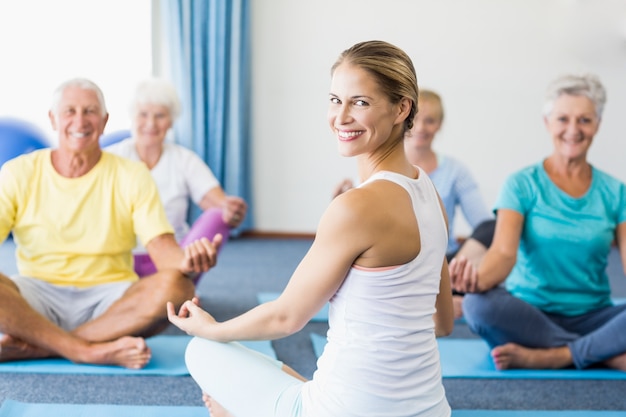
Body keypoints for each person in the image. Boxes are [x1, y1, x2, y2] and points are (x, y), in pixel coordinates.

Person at [168, 40, 454, 417]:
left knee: (204, 352)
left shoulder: (355, 207)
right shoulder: (429, 192)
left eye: (360, 102)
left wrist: (208, 329)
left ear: (402, 108)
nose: (341, 116)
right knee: (276, 377)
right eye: (336, 100)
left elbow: (287, 317)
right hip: (432, 409)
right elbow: (445, 322)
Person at [0, 78, 221, 369]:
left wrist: (189, 261)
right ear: (53, 119)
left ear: (104, 122)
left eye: (90, 111)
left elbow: (162, 249)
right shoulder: (18, 172)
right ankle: (86, 350)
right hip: (37, 293)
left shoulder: (132, 174)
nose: (80, 120)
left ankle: (43, 347)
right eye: (70, 111)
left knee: (178, 288)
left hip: (110, 299)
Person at [449, 73, 626, 371]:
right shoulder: (521, 184)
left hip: (594, 316)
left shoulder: (616, 193)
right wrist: (473, 283)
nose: (573, 130)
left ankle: (557, 355)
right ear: (547, 123)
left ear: (597, 124)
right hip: (528, 313)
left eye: (584, 120)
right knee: (478, 306)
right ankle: (601, 353)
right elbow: (503, 253)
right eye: (563, 119)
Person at [334, 89, 495, 318]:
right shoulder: (378, 166)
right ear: (405, 118)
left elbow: (484, 225)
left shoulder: (455, 171)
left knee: (493, 227)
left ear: (439, 125)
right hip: (396, 259)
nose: (421, 128)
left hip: (442, 263)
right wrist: (343, 203)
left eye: (429, 121)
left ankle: (441, 291)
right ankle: (444, 298)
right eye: (417, 119)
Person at [106, 78, 247, 279]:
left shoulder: (184, 159)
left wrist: (230, 209)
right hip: (122, 260)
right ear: (132, 117)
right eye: (143, 114)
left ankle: (174, 285)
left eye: (160, 115)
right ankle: (166, 292)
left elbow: (214, 200)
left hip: (176, 261)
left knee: (218, 215)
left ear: (171, 121)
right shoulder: (112, 157)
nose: (151, 123)